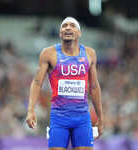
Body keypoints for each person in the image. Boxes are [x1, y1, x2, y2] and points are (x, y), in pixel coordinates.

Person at [26, 17, 103, 150]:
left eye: (72, 25)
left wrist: (100, 117)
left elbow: (94, 87)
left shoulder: (89, 54)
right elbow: (37, 82)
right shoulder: (49, 54)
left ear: (79, 33)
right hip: (59, 119)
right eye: (64, 26)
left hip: (82, 119)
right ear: (60, 33)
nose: (67, 28)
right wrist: (31, 110)